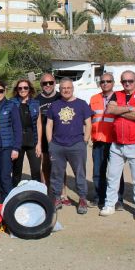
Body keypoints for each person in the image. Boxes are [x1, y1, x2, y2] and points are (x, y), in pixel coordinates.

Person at [99, 70, 135, 221]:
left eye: (130, 80)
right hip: (117, 144)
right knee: (113, 177)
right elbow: (109, 109)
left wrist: (119, 111)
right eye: (124, 81)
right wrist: (130, 108)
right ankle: (109, 204)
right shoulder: (117, 94)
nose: (127, 83)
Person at [46, 78, 92, 214]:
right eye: (63, 88)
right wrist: (50, 143)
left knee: (80, 174)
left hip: (76, 145)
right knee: (56, 174)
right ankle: (56, 198)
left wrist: (84, 141)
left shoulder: (82, 104)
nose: (66, 90)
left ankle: (82, 199)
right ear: (60, 90)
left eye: (68, 88)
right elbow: (49, 124)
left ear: (73, 89)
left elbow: (88, 124)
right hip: (57, 145)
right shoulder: (54, 105)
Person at [89, 73, 124, 210]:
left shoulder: (120, 98)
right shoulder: (94, 99)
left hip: (114, 141)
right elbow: (89, 119)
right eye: (102, 81)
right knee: (98, 171)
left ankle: (118, 200)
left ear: (113, 83)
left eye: (108, 81)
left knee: (116, 172)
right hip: (98, 140)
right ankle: (99, 198)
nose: (105, 83)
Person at [0, 80, 22, 200]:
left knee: (5, 176)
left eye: (0, 91)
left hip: (7, 146)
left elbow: (17, 128)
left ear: (5, 91)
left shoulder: (11, 106)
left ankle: (10, 202)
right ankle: (3, 200)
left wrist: (16, 148)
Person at [10, 79, 42, 187]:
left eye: (25, 87)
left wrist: (39, 144)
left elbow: (39, 124)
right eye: (20, 88)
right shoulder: (12, 103)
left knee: (36, 170)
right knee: (16, 171)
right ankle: (14, 196)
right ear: (17, 90)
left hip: (32, 141)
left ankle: (37, 194)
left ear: (29, 89)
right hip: (17, 142)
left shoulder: (35, 103)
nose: (23, 90)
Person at [36, 73, 60, 185]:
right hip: (44, 137)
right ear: (41, 84)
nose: (48, 85)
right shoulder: (36, 100)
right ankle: (44, 189)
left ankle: (63, 193)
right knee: (45, 164)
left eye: (50, 82)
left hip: (59, 136)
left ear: (55, 83)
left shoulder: (60, 97)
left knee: (60, 165)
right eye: (45, 83)